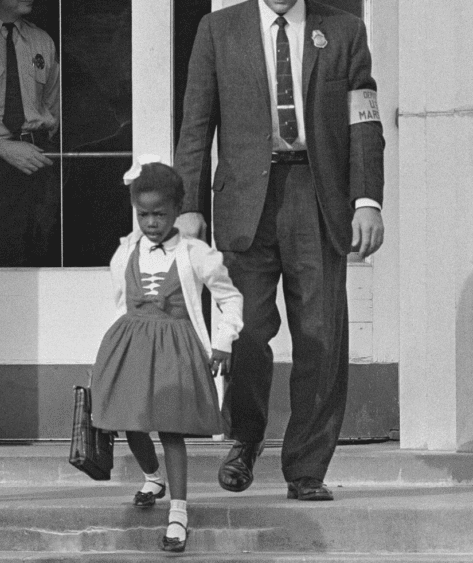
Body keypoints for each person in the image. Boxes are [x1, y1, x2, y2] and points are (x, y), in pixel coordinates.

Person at [174, 0, 385, 502]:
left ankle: (306, 468)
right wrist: (188, 203)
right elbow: (196, 124)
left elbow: (364, 123)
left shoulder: (345, 31)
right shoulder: (217, 30)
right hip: (245, 203)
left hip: (319, 196)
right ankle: (245, 439)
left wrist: (367, 200)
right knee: (245, 330)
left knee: (320, 336)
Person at [91, 157, 243, 553]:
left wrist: (224, 340)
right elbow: (122, 301)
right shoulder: (126, 252)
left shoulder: (195, 254)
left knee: (171, 429)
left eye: (160, 214)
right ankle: (152, 476)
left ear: (178, 210)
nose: (152, 222)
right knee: (131, 421)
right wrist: (110, 352)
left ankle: (178, 512)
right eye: (144, 214)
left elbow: (230, 297)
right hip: (132, 346)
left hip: (175, 349)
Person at [0, 0, 62, 266]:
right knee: (1, 256)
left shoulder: (41, 41)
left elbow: (52, 106)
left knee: (44, 252)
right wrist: (0, 147)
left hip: (37, 161)